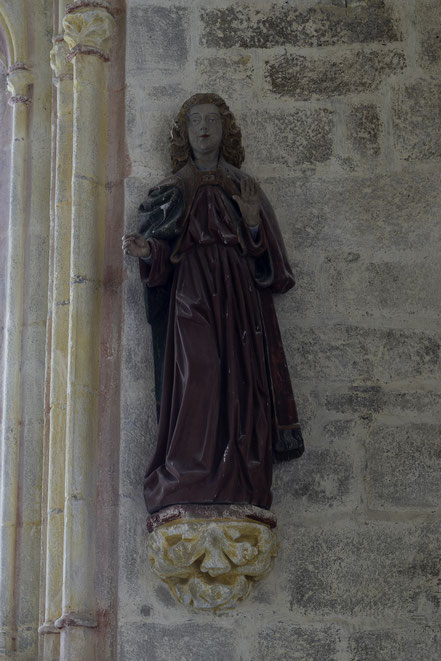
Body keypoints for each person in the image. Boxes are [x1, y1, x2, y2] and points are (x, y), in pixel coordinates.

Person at [122, 93, 303, 515]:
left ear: (226, 131)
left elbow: (273, 268)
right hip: (192, 293)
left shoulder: (244, 186)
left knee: (241, 378)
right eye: (195, 121)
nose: (204, 128)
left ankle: (241, 476)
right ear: (184, 133)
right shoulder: (171, 190)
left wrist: (254, 222)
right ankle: (189, 471)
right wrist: (149, 250)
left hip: (239, 296)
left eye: (212, 121)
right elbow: (163, 265)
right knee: (197, 374)